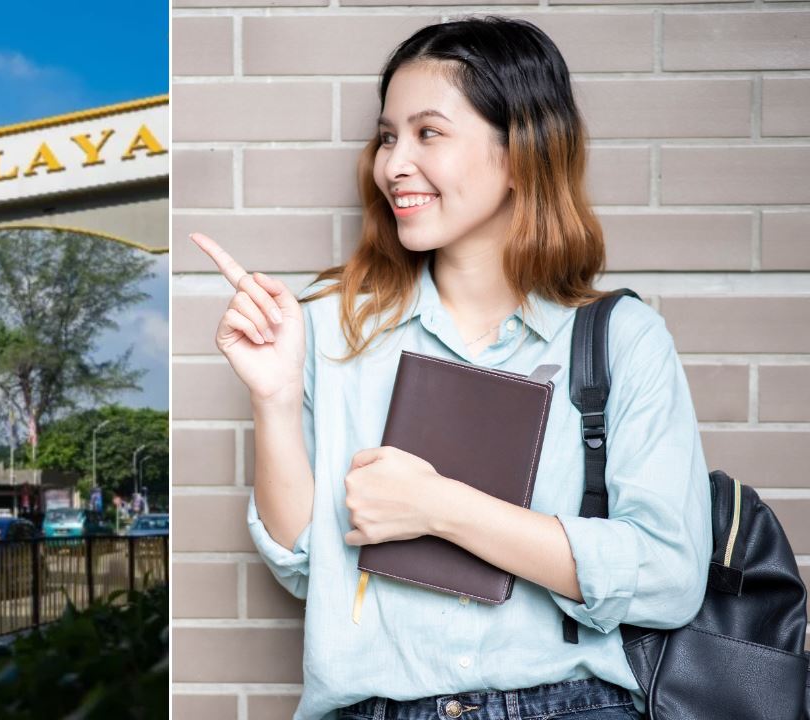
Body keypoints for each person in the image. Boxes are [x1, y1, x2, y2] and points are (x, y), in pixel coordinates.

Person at [190, 16, 710, 720]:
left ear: (522, 151)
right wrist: (275, 400)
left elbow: (669, 577)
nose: (392, 164)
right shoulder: (329, 330)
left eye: (428, 133)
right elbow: (304, 568)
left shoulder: (621, 339)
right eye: (387, 137)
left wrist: (442, 509)